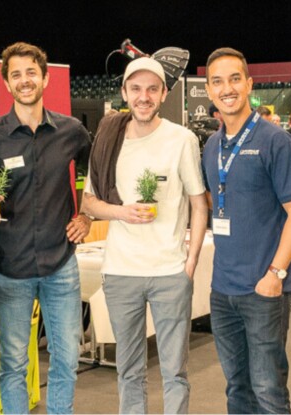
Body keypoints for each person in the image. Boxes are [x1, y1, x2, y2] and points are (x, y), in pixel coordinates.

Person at [0, 42, 92, 414]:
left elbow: (94, 177)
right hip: (9, 268)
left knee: (66, 358)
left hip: (61, 265)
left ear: (45, 78)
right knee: (13, 364)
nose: (25, 80)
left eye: (31, 73)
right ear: (7, 83)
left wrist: (86, 216)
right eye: (16, 74)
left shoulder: (72, 131)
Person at [81, 57, 208, 414]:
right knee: (129, 371)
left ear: (164, 93)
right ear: (124, 92)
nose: (144, 96)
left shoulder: (181, 139)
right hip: (121, 272)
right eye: (136, 88)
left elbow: (199, 204)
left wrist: (190, 262)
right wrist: (122, 212)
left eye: (152, 89)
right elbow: (88, 201)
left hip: (170, 273)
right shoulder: (107, 139)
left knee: (174, 371)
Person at [202, 47, 291, 414]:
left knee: (268, 391)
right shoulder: (212, 145)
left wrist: (275, 274)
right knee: (237, 389)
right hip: (223, 290)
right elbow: (216, 199)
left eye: (235, 79)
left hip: (263, 290)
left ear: (249, 84)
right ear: (209, 90)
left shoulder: (276, 141)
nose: (227, 89)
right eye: (218, 82)